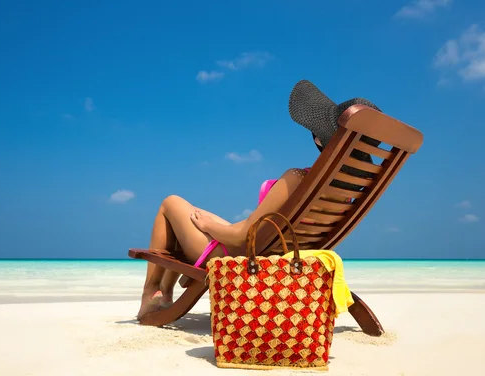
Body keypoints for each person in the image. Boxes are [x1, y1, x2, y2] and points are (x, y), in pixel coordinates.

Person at [137, 80, 383, 319]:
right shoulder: (347, 193)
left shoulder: (298, 178)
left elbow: (242, 236)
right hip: (271, 252)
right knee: (193, 211)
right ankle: (165, 292)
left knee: (171, 203)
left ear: (320, 139)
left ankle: (153, 291)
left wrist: (208, 227)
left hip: (239, 258)